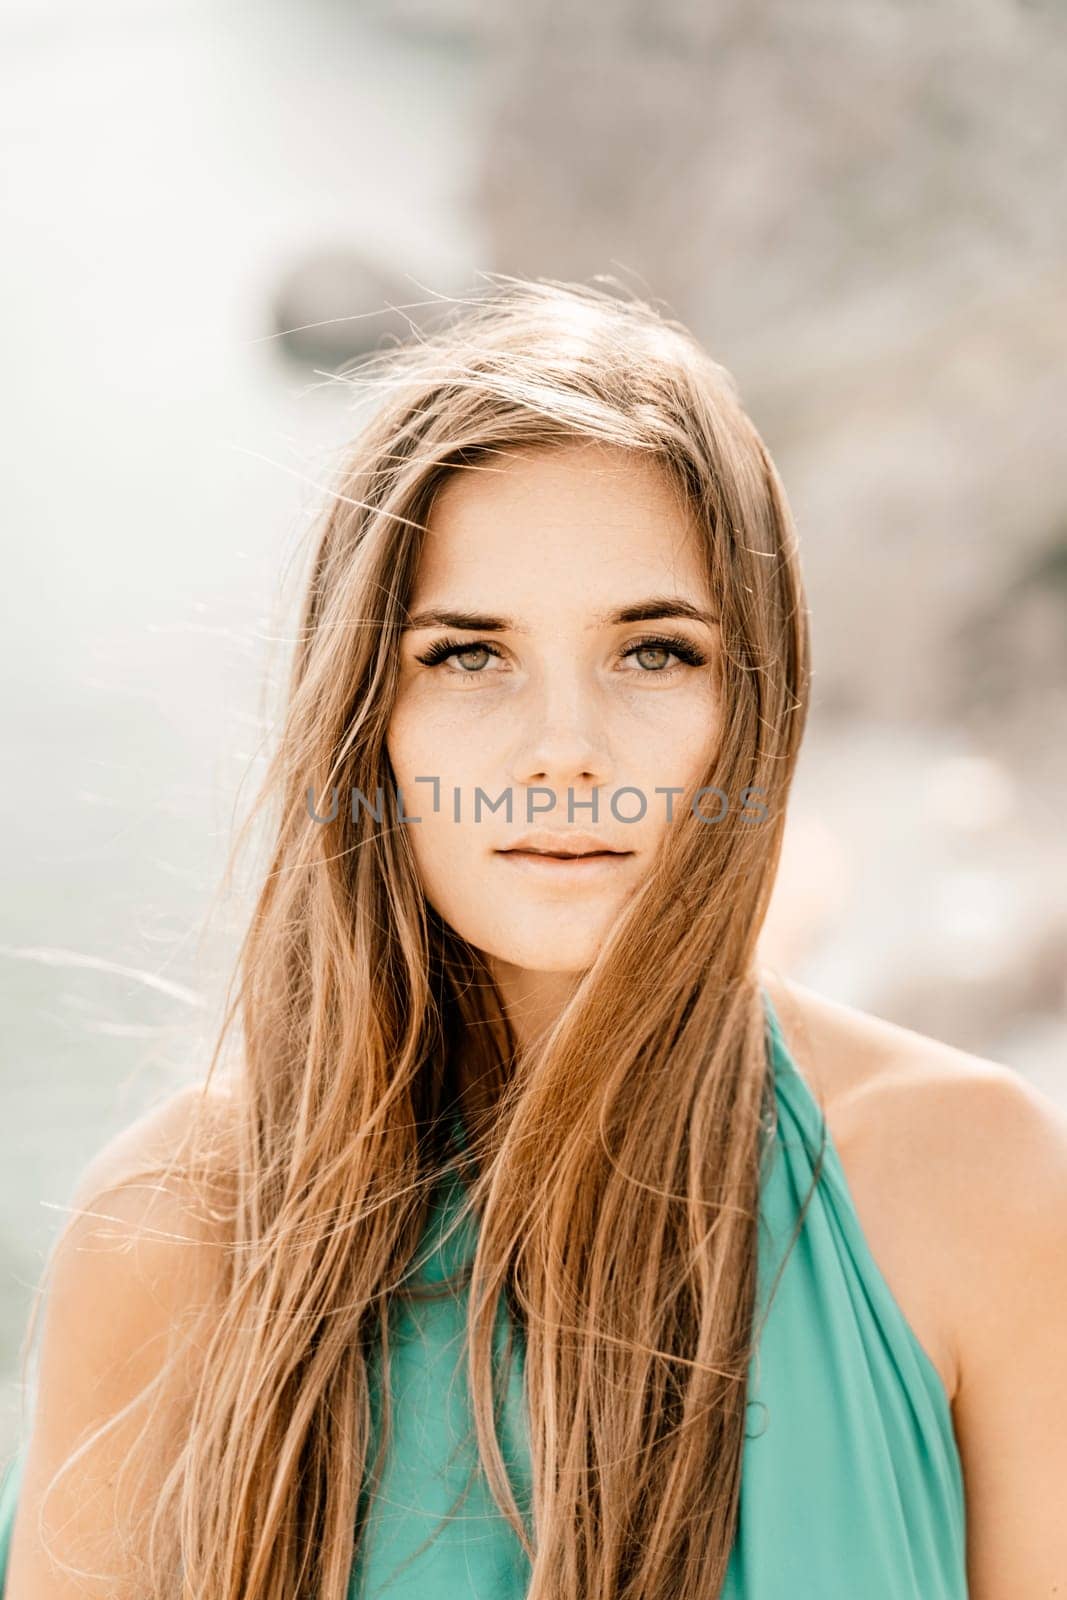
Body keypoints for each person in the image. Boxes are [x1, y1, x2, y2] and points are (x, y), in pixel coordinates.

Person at [1, 278, 1064, 1598]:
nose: (565, 752)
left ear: (758, 702)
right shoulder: (169, 1239)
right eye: (469, 656)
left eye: (654, 653)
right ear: (367, 724)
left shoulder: (970, 1179)